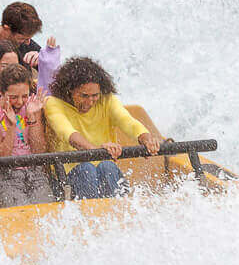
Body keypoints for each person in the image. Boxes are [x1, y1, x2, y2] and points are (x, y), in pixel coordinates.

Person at [41, 56, 164, 200]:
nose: (90, 101)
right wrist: (98, 150)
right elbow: (68, 134)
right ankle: (93, 216)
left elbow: (128, 122)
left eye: (95, 96)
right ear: (69, 90)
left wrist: (147, 140)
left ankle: (116, 214)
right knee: (86, 169)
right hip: (67, 178)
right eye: (84, 96)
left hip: (105, 171)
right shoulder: (53, 103)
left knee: (107, 167)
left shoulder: (107, 100)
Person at [0, 63, 53, 207]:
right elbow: (0, 157)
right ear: (1, 91)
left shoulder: (32, 106)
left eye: (24, 96)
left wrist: (32, 117)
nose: (19, 102)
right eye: (13, 97)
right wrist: (11, 126)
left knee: (46, 213)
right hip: (7, 175)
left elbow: (39, 150)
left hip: (35, 172)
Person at [0, 1, 62, 102]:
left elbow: (56, 79)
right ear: (6, 28)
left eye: (29, 38)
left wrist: (43, 61)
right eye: (23, 38)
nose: (28, 43)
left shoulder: (26, 43)